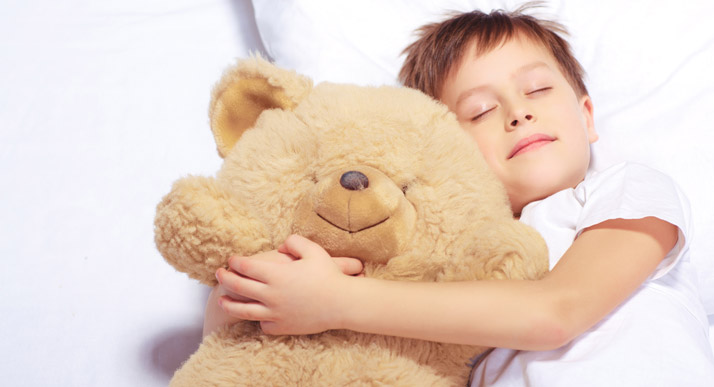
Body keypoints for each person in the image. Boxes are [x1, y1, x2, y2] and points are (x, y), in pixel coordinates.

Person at [205, 4, 714, 386]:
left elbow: (557, 312)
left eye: (538, 90)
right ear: (449, 149)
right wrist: (255, 297)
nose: (518, 112)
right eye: (479, 112)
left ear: (586, 116)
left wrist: (339, 301)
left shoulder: (623, 187)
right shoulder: (443, 261)